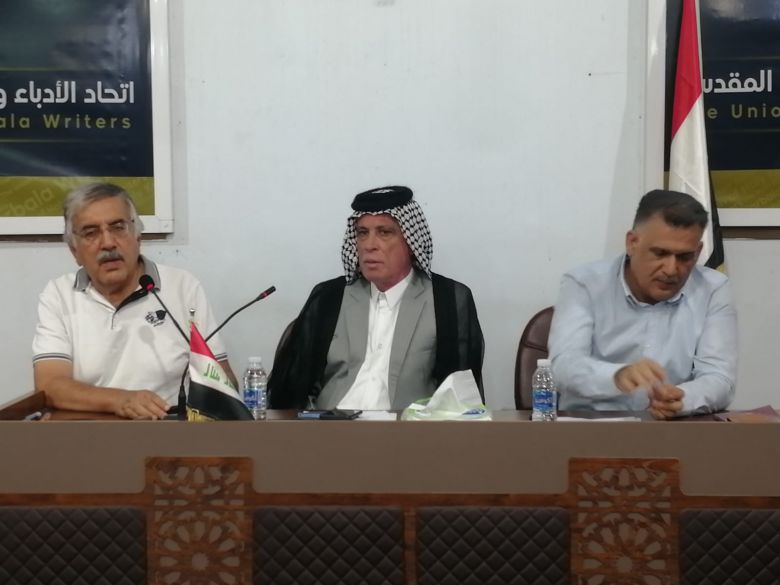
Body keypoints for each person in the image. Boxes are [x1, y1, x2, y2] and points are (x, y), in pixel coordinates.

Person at [268, 185, 484, 410]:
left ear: (411, 242)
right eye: (362, 233)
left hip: (406, 428)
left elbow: (459, 400)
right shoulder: (329, 298)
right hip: (332, 424)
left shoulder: (447, 299)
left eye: (384, 232)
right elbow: (293, 388)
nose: (369, 245)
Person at [32, 182, 235, 419]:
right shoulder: (59, 295)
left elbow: (222, 381)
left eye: (118, 228)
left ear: (138, 236)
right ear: (74, 251)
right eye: (91, 233)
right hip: (88, 433)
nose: (108, 243)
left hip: (168, 427)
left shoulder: (182, 287)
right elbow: (50, 385)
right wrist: (120, 400)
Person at [548, 189, 737, 419]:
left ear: (697, 253)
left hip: (673, 428)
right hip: (592, 427)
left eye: (684, 257)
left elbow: (719, 378)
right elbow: (563, 367)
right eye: (660, 253)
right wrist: (617, 376)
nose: (671, 269)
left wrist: (681, 398)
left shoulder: (713, 289)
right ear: (632, 243)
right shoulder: (584, 284)